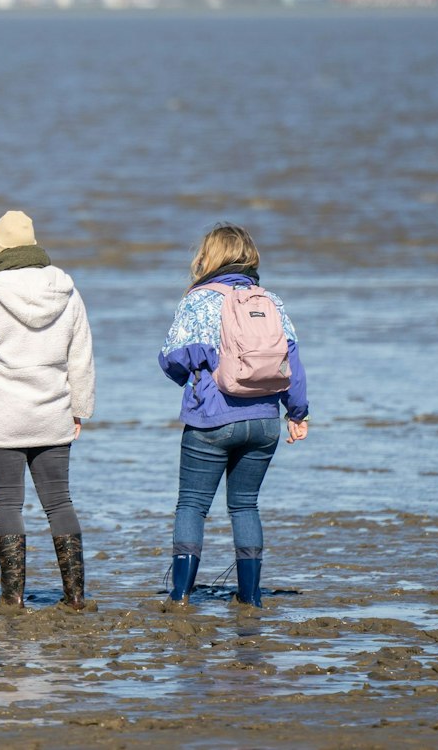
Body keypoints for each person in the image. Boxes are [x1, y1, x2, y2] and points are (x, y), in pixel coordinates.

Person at [0, 211, 96, 610]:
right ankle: (76, 596)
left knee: (7, 504)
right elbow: (80, 355)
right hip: (53, 413)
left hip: (1, 416)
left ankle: (12, 598)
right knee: (59, 502)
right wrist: (80, 408)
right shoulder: (66, 290)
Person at [158, 222, 310, 608]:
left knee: (192, 504)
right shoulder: (269, 301)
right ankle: (251, 595)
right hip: (264, 420)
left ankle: (180, 594)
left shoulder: (199, 299)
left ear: (209, 256)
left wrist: (188, 375)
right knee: (245, 505)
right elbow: (292, 361)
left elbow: (173, 357)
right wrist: (297, 412)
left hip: (212, 417)